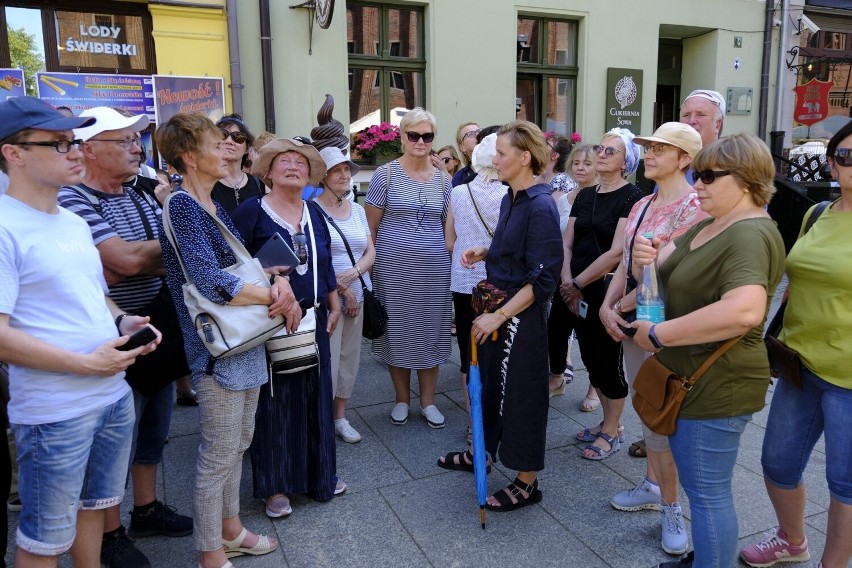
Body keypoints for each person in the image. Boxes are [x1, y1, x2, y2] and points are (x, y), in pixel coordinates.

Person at [0, 96, 159, 567]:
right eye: (59, 143)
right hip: (55, 410)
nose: (74, 151)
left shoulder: (69, 220)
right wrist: (85, 363)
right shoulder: (5, 225)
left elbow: (93, 294)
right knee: (44, 538)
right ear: (14, 153)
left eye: (74, 141)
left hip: (109, 395)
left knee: (94, 510)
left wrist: (121, 321)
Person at [631, 133, 785, 568]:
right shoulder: (710, 223)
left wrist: (660, 336)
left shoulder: (749, 233)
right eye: (697, 173)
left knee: (707, 493)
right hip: (691, 376)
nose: (697, 183)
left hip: (717, 382)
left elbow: (745, 310)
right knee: (704, 490)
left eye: (709, 175)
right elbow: (658, 268)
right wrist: (647, 255)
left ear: (747, 179)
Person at [57, 106, 193, 568]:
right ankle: (109, 531)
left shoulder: (135, 193)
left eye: (137, 139)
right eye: (125, 141)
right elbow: (128, 260)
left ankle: (147, 508)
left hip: (153, 321)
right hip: (110, 331)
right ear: (89, 150)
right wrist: (173, 249)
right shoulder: (73, 200)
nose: (138, 147)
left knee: (156, 422)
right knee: (117, 435)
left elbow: (138, 259)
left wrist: (152, 255)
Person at [156, 113, 289, 568]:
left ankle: (230, 530)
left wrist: (269, 276)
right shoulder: (182, 206)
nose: (229, 149)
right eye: (218, 144)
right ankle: (210, 553)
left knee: (239, 443)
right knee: (218, 454)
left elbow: (233, 270)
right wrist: (271, 293)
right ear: (190, 158)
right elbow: (210, 283)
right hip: (216, 352)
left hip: (242, 343)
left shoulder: (209, 203)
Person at [739, 122, 852, 568]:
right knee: (777, 465)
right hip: (801, 364)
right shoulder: (817, 214)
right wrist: (773, 340)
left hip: (849, 377)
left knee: (845, 485)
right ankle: (792, 539)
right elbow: (793, 283)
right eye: (846, 156)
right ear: (831, 164)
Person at [437, 120, 562, 510]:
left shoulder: (541, 205)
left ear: (525, 158)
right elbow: (513, 246)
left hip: (519, 317)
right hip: (498, 308)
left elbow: (544, 280)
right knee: (489, 387)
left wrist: (499, 316)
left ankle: (527, 483)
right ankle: (482, 454)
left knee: (521, 396)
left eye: (502, 153)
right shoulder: (512, 197)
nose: (495, 159)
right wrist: (486, 253)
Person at [599, 123, 707, 556]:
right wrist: (609, 305)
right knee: (647, 410)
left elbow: (666, 277)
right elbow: (626, 265)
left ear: (685, 159)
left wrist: (621, 305)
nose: (650, 154)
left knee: (664, 424)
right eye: (648, 147)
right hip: (636, 324)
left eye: (662, 148)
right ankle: (651, 484)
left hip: (670, 330)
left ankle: (671, 509)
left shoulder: (697, 208)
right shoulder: (642, 203)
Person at [231, 138, 346, 517]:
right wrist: (267, 278)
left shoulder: (314, 213)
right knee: (274, 402)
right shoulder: (252, 211)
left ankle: (319, 476)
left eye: (301, 161)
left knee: (316, 396)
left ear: (310, 174)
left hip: (313, 318)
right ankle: (274, 486)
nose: (294, 166)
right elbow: (234, 266)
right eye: (285, 161)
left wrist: (333, 303)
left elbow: (326, 263)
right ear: (268, 171)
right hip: (269, 320)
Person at [365, 107, 453, 429]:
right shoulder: (384, 175)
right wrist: (370, 270)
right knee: (397, 334)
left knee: (431, 333)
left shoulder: (445, 180)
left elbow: (452, 224)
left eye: (427, 135)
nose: (420, 141)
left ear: (433, 139)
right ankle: (401, 399)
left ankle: (429, 401)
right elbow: (369, 229)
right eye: (413, 134)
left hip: (435, 270)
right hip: (391, 268)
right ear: (402, 136)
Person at [561, 129, 644, 460]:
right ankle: (605, 423)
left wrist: (575, 282)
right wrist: (567, 279)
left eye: (611, 151)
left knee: (608, 361)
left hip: (608, 289)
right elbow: (568, 240)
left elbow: (616, 252)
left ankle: (613, 429)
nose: (602, 154)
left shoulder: (632, 197)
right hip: (576, 287)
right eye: (601, 148)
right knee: (590, 357)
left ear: (626, 162)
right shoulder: (584, 195)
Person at [313, 146, 375, 444]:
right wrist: (343, 290)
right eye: (337, 170)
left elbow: (370, 251)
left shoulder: (358, 210)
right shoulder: (312, 211)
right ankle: (321, 420)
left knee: (349, 359)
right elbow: (317, 259)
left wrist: (352, 277)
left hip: (359, 293)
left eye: (347, 170)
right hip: (328, 298)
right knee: (328, 360)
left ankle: (340, 417)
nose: (344, 175)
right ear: (323, 176)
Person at [444, 132, 504, 442]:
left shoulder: (458, 192)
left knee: (470, 354)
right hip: (499, 284)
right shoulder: (511, 194)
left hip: (464, 281)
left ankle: (473, 424)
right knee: (498, 351)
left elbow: (450, 242)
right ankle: (499, 417)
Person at [556, 143, 599, 410]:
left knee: (593, 336)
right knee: (558, 330)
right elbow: (561, 240)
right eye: (576, 163)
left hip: (593, 275)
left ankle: (595, 388)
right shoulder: (564, 199)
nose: (580, 168)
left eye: (587, 163)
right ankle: (557, 376)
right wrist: (565, 279)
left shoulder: (601, 197)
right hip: (564, 272)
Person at [211, 114, 265, 213]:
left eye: (238, 137)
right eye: (223, 135)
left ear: (247, 148)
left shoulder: (259, 184)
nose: (229, 141)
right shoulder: (208, 184)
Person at [541, 133, 577, 201]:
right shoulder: (534, 174)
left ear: (554, 155)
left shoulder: (563, 182)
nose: (541, 146)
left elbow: (553, 210)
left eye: (546, 144)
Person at [451, 121, 480, 186]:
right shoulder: (459, 178)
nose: (477, 135)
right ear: (462, 147)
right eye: (471, 134)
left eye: (479, 132)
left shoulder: (497, 167)